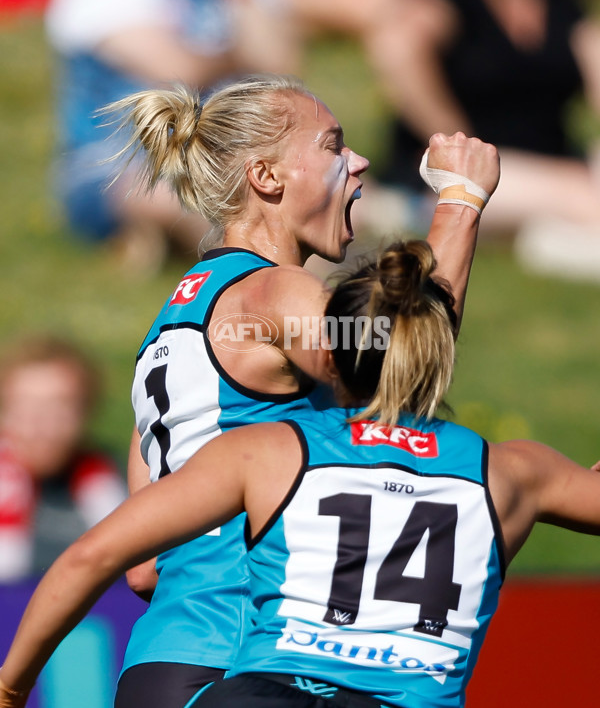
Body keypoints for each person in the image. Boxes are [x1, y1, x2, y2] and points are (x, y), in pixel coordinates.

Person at [2, 238, 600, 708]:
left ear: (332, 354)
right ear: (444, 353)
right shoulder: (511, 472)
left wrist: (9, 690)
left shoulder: (270, 451)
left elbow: (92, 558)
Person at [97, 73, 499, 708]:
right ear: (268, 178)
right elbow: (402, 359)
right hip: (245, 664)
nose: (359, 160)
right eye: (334, 146)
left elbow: (143, 566)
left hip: (156, 666)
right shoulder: (273, 293)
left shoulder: (169, 330)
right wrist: (460, 201)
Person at [44, 0, 294, 268]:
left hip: (221, 155)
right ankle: (270, 280)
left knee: (298, 183)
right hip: (114, 167)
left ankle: (152, 241)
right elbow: (179, 72)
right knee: (187, 195)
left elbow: (283, 70)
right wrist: (243, 58)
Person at [375, 0, 600, 281]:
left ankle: (553, 241)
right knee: (583, 194)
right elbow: (398, 48)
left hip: (550, 160)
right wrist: (459, 145)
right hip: (471, 172)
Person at [0, 335, 126, 582]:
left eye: (58, 408)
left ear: (86, 412)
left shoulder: (117, 482)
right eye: (26, 408)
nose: (41, 425)